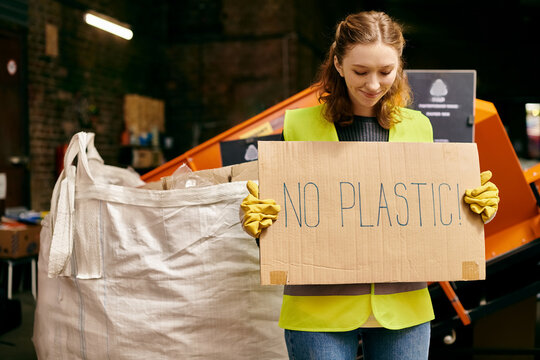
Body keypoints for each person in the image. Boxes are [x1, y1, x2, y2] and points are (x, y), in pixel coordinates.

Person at [241, 10, 499, 360]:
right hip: (318, 308)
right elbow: (288, 216)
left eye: (385, 71)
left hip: (403, 304)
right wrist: (260, 224)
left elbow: (428, 213)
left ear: (399, 67)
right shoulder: (298, 126)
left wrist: (469, 210)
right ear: (337, 63)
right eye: (360, 71)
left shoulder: (419, 127)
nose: (374, 84)